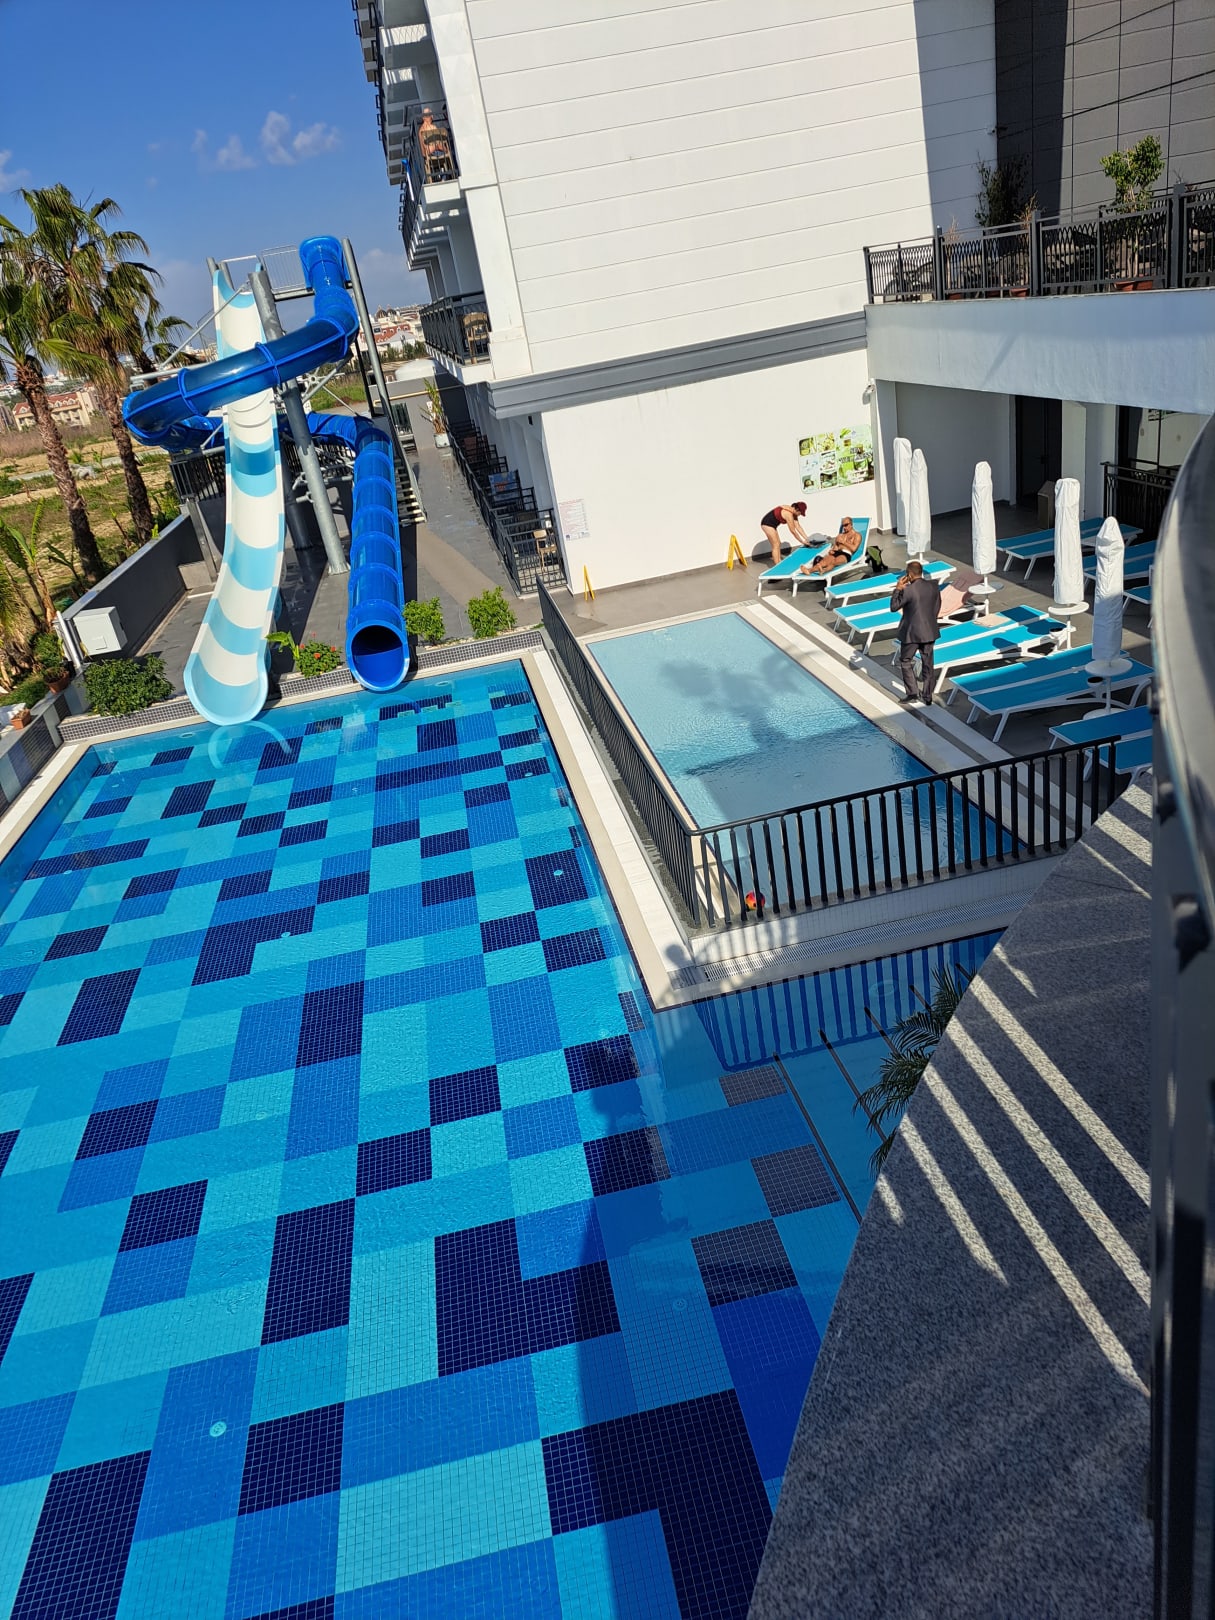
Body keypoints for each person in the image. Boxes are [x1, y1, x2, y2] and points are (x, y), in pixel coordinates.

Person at [890, 559, 943, 705]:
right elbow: (937, 606)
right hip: (929, 631)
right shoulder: (933, 586)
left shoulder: (908, 590)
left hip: (911, 633)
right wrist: (930, 621)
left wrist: (898, 589)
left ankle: (913, 692)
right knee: (928, 663)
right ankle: (927, 696)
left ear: (909, 575)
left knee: (905, 661)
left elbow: (894, 607)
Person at [798, 516, 864, 576]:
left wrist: (843, 542)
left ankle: (823, 571)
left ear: (851, 524)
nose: (844, 527)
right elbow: (836, 546)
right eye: (843, 525)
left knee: (834, 562)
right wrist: (832, 550)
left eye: (846, 525)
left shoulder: (857, 535)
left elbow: (854, 548)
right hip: (837, 552)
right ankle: (809, 571)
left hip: (846, 554)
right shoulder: (840, 535)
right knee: (823, 562)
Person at [760, 501, 809, 567]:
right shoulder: (788, 514)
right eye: (800, 513)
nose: (800, 515)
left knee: (778, 543)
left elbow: (798, 527)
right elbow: (793, 531)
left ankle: (779, 561)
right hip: (767, 524)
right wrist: (802, 542)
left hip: (773, 525)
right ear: (797, 509)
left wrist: (807, 539)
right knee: (775, 545)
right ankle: (777, 566)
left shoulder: (793, 513)